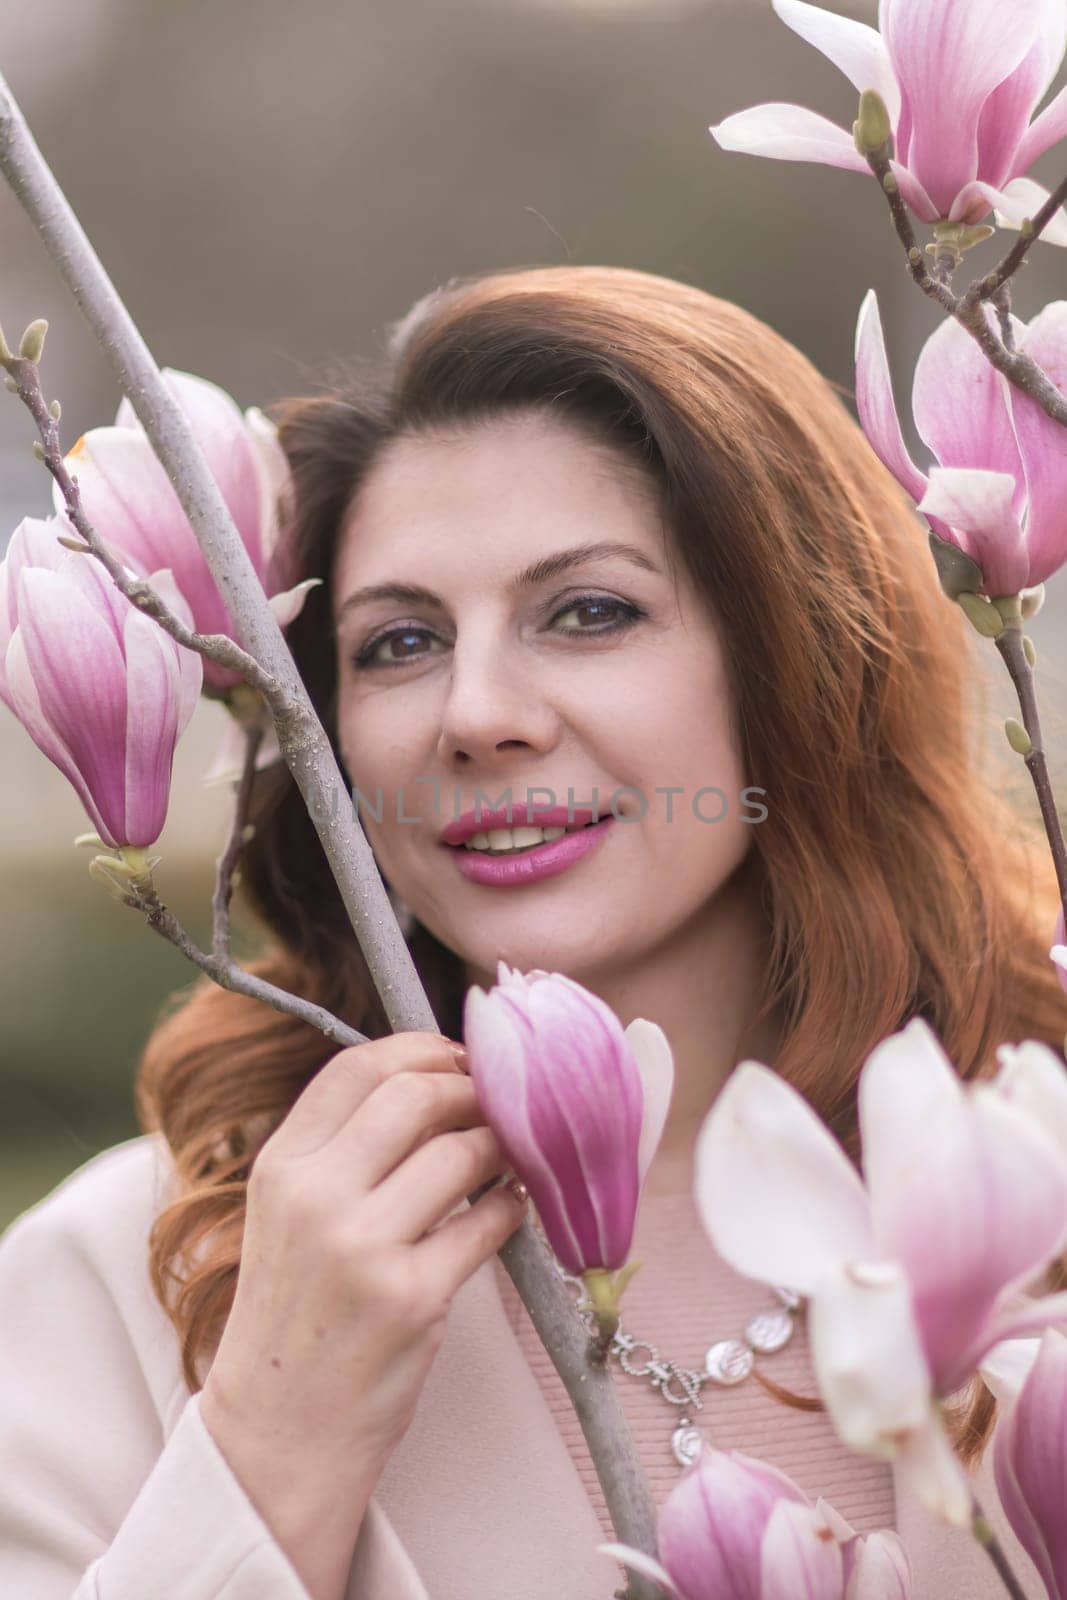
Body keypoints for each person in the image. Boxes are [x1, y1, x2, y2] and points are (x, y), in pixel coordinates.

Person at [0, 264, 1063, 1600]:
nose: (476, 712)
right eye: (398, 643)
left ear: (801, 657)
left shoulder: (1042, 1151)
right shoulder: (132, 1275)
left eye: (591, 611)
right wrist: (272, 1432)